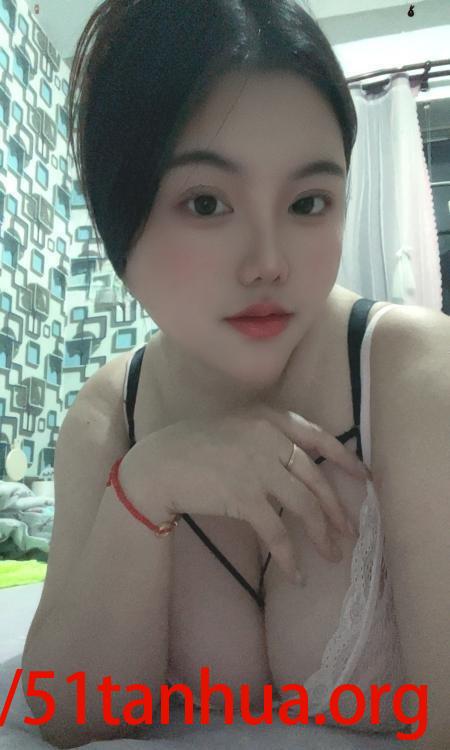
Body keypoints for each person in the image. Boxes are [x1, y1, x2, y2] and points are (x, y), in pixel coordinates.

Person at [21, 1, 420, 746]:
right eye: (206, 203)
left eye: (308, 202)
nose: (267, 262)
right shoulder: (108, 415)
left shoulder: (414, 378)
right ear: (117, 215)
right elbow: (66, 715)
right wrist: (145, 486)